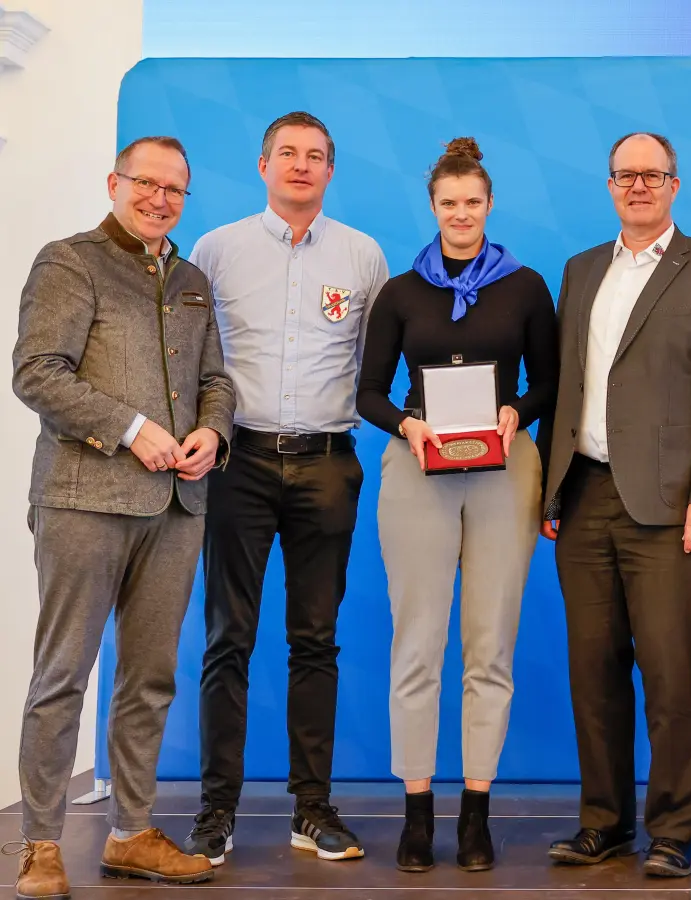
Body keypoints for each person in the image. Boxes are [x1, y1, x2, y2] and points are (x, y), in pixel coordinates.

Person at [9, 135, 232, 896]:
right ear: (115, 182)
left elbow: (216, 381)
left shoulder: (194, 279)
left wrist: (213, 432)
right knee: (63, 673)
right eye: (147, 183)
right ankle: (40, 844)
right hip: (83, 499)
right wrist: (134, 429)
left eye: (175, 189)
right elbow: (37, 373)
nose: (160, 199)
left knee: (150, 678)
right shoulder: (69, 262)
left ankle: (132, 833)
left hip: (177, 506)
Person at [538, 132, 691, 878]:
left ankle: (672, 829)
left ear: (675, 185)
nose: (638, 186)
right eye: (625, 176)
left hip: (671, 507)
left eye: (652, 175)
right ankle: (604, 821)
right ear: (609, 186)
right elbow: (566, 383)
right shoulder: (581, 269)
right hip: (584, 494)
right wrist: (551, 487)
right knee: (592, 671)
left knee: (669, 672)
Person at [184, 111, 389, 865]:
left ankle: (312, 808)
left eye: (316, 157)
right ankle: (216, 813)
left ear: (330, 171)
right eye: (287, 155)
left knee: (316, 641)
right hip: (236, 463)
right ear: (263, 164)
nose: (301, 166)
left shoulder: (363, 256)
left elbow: (376, 370)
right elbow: (198, 362)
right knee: (226, 640)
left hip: (329, 463)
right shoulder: (217, 250)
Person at [357, 136, 558, 873]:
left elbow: (551, 379)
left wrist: (518, 413)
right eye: (449, 203)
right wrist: (407, 424)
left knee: (490, 646)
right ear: (433, 207)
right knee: (416, 643)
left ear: (489, 204)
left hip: (505, 469)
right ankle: (418, 812)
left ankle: (476, 811)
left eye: (473, 202)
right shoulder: (401, 293)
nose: (462, 214)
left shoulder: (527, 287)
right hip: (417, 468)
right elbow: (368, 391)